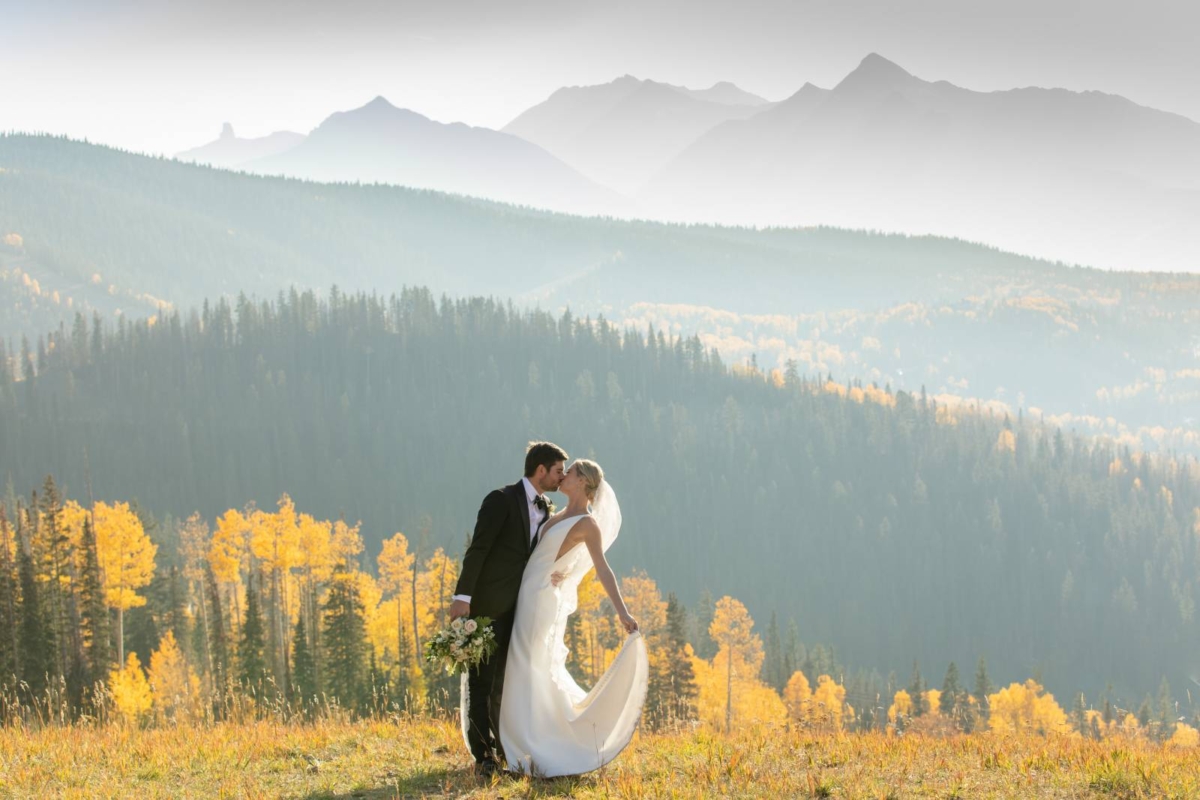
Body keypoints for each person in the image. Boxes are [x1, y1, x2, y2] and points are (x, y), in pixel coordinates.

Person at [497, 458, 648, 777]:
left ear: (583, 483)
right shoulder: (558, 513)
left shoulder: (587, 524)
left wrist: (623, 612)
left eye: (571, 473)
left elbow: (602, 569)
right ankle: (525, 735)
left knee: (527, 662)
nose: (563, 476)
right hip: (530, 591)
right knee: (525, 663)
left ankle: (532, 742)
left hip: (540, 601)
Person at [450, 441, 567, 776]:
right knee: (481, 682)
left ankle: (504, 750)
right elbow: (479, 548)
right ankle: (483, 757)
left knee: (505, 683)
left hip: (523, 610)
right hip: (488, 607)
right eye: (558, 471)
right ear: (541, 469)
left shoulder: (545, 507)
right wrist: (463, 597)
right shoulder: (500, 500)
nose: (561, 478)